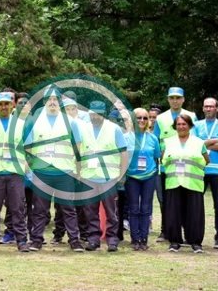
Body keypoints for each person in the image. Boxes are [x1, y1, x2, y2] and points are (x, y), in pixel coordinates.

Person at [24, 86, 84, 252]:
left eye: (55, 99)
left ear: (60, 102)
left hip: (64, 171)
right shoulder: (36, 121)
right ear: (44, 102)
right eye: (49, 99)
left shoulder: (71, 122)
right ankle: (36, 240)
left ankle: (74, 240)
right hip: (42, 172)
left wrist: (78, 169)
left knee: (68, 208)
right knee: (40, 209)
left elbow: (78, 146)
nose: (52, 102)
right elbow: (28, 146)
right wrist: (30, 166)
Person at [78, 102, 127, 252]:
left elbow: (123, 153)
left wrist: (121, 174)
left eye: (98, 114)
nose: (95, 117)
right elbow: (79, 152)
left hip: (109, 178)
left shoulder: (114, 129)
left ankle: (112, 240)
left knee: (111, 212)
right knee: (90, 212)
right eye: (93, 114)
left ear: (104, 114)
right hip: (89, 176)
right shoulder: (83, 128)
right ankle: (93, 239)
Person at [0, 92, 29, 252]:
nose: (4, 107)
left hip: (15, 172)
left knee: (17, 208)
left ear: (12, 105)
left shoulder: (21, 124)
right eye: (0, 104)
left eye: (7, 104)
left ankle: (22, 240)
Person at [154, 87, 196, 242]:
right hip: (165, 166)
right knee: (164, 199)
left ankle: (184, 231)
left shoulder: (191, 116)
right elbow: (155, 141)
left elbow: (195, 139)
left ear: (183, 99)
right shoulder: (160, 118)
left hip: (185, 166)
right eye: (172, 98)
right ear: (168, 99)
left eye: (178, 97)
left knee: (184, 199)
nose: (175, 100)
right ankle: (165, 230)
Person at [162, 114, 209, 253]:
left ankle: (195, 242)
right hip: (174, 182)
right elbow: (163, 159)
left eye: (184, 124)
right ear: (175, 126)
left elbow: (207, 160)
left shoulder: (199, 142)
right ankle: (174, 241)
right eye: (178, 124)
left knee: (194, 213)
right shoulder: (168, 142)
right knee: (173, 213)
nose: (181, 127)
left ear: (190, 125)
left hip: (193, 182)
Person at [193, 98, 218, 249]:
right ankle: (194, 235)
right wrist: (213, 140)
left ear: (217, 108)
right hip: (199, 169)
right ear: (202, 109)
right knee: (195, 204)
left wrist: (204, 142)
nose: (208, 109)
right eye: (206, 106)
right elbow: (194, 144)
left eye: (211, 106)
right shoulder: (196, 125)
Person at [125, 108, 159, 251]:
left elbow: (157, 157)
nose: (142, 121)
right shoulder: (126, 137)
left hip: (149, 176)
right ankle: (134, 239)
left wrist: (153, 173)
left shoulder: (153, 138)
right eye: (139, 118)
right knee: (133, 209)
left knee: (145, 208)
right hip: (132, 177)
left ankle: (144, 239)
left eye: (145, 118)